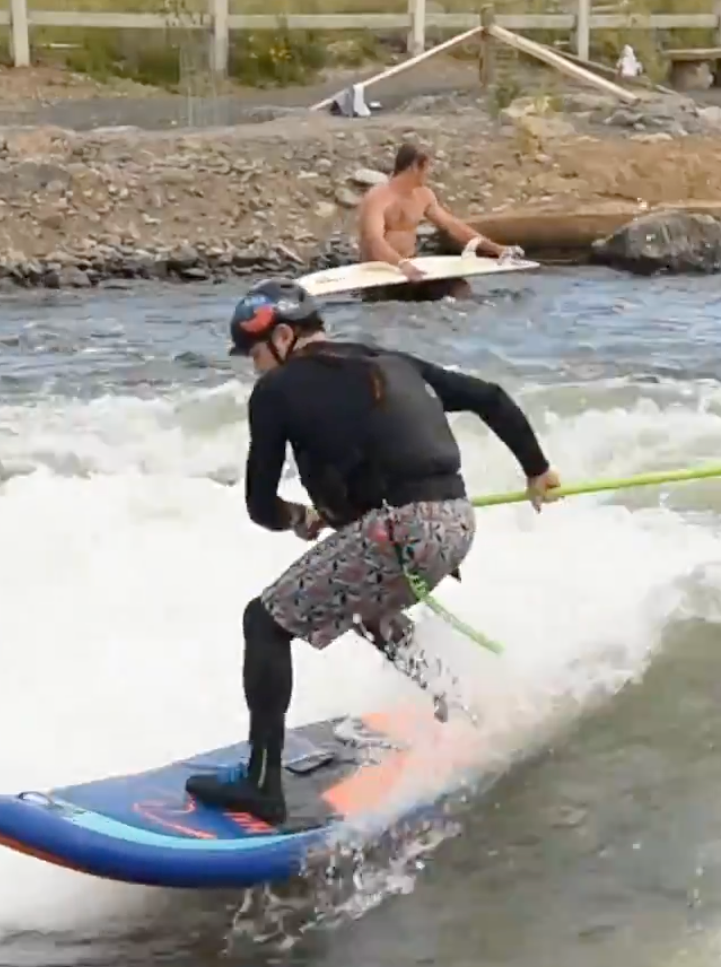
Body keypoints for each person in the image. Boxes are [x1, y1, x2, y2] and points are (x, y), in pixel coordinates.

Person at [184, 278, 561, 825]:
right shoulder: (387, 360)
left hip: (400, 531)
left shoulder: (277, 390)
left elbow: (260, 505)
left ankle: (262, 783)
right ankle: (460, 705)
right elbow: (490, 398)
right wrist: (537, 469)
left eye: (254, 353)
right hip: (455, 521)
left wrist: (298, 518)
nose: (255, 367)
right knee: (369, 609)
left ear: (284, 336)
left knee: (263, 623)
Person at [354, 141, 524, 303]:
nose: (429, 173)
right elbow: (374, 240)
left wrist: (496, 248)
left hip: (411, 269)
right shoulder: (378, 198)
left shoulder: (423, 195)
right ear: (415, 167)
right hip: (381, 273)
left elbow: (452, 226)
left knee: (459, 288)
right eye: (427, 167)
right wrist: (401, 264)